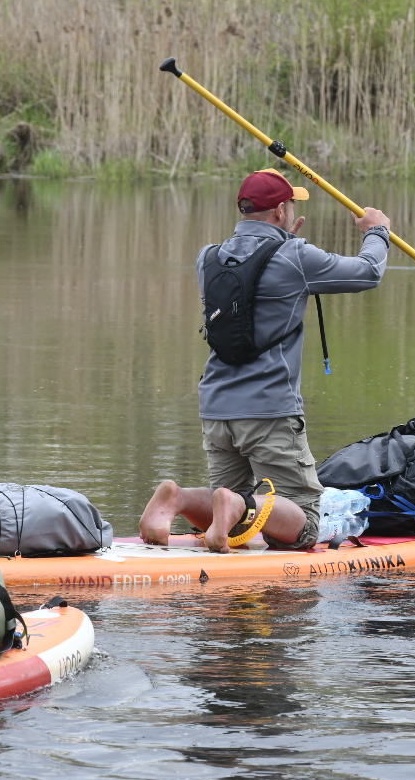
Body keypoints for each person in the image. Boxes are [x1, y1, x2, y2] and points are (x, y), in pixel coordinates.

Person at [139, 168, 390, 553]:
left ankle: (178, 500)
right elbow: (368, 272)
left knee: (234, 507)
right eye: (289, 204)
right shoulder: (295, 255)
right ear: (279, 211)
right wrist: (377, 231)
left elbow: (259, 278)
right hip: (269, 412)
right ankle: (237, 503)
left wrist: (287, 241)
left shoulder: (209, 258)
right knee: (306, 524)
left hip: (217, 409)